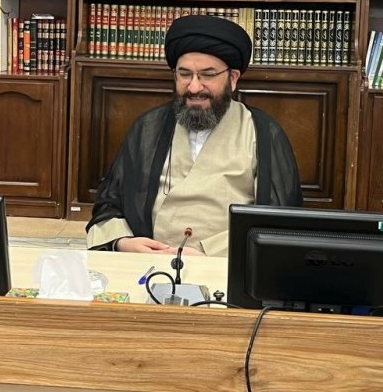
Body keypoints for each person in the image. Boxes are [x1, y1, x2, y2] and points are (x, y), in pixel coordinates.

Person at [86, 14, 303, 256]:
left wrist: (210, 254)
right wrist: (123, 242)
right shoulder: (148, 127)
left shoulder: (262, 133)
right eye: (185, 74)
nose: (194, 87)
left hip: (227, 264)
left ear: (232, 79)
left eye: (208, 75)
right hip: (150, 262)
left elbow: (280, 223)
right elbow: (109, 202)